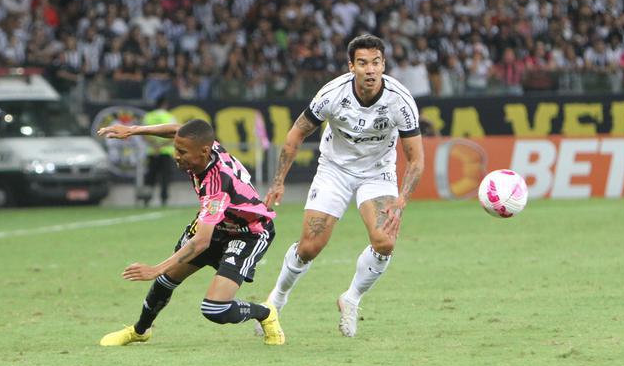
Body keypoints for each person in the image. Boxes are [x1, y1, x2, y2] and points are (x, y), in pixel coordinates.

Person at [263, 33, 425, 338]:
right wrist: (278, 181)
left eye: (376, 62)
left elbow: (415, 159)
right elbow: (295, 135)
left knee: (385, 242)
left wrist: (401, 200)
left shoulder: (400, 101)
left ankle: (351, 299)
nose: (370, 69)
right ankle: (277, 299)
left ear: (383, 64)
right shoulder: (332, 94)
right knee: (310, 247)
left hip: (377, 173)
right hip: (334, 170)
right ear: (351, 66)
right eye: (362, 63)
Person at [95, 118, 285, 346]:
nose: (176, 155)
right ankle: (139, 331)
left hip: (247, 232)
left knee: (214, 309)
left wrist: (155, 268)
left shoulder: (216, 184)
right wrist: (133, 130)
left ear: (204, 151)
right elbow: (178, 129)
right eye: (176, 149)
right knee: (167, 280)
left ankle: (265, 312)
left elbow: (201, 241)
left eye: (182, 151)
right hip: (216, 223)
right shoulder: (205, 147)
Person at [141, 95, 178, 206]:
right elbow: (175, 135)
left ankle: (146, 200)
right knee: (164, 177)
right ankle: (164, 199)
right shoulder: (169, 117)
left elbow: (143, 134)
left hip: (152, 152)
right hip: (165, 152)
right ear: (165, 104)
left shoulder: (148, 116)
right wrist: (162, 146)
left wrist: (154, 145)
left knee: (150, 177)